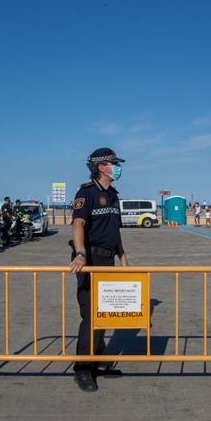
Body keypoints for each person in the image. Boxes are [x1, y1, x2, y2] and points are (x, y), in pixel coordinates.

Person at [69, 147, 129, 393]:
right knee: (91, 316)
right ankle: (83, 369)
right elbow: (78, 224)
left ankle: (99, 359)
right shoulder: (86, 192)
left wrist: (123, 256)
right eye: (113, 163)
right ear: (101, 166)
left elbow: (114, 231)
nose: (117, 166)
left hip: (108, 261)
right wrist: (81, 254)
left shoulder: (113, 195)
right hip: (90, 260)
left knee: (104, 313)